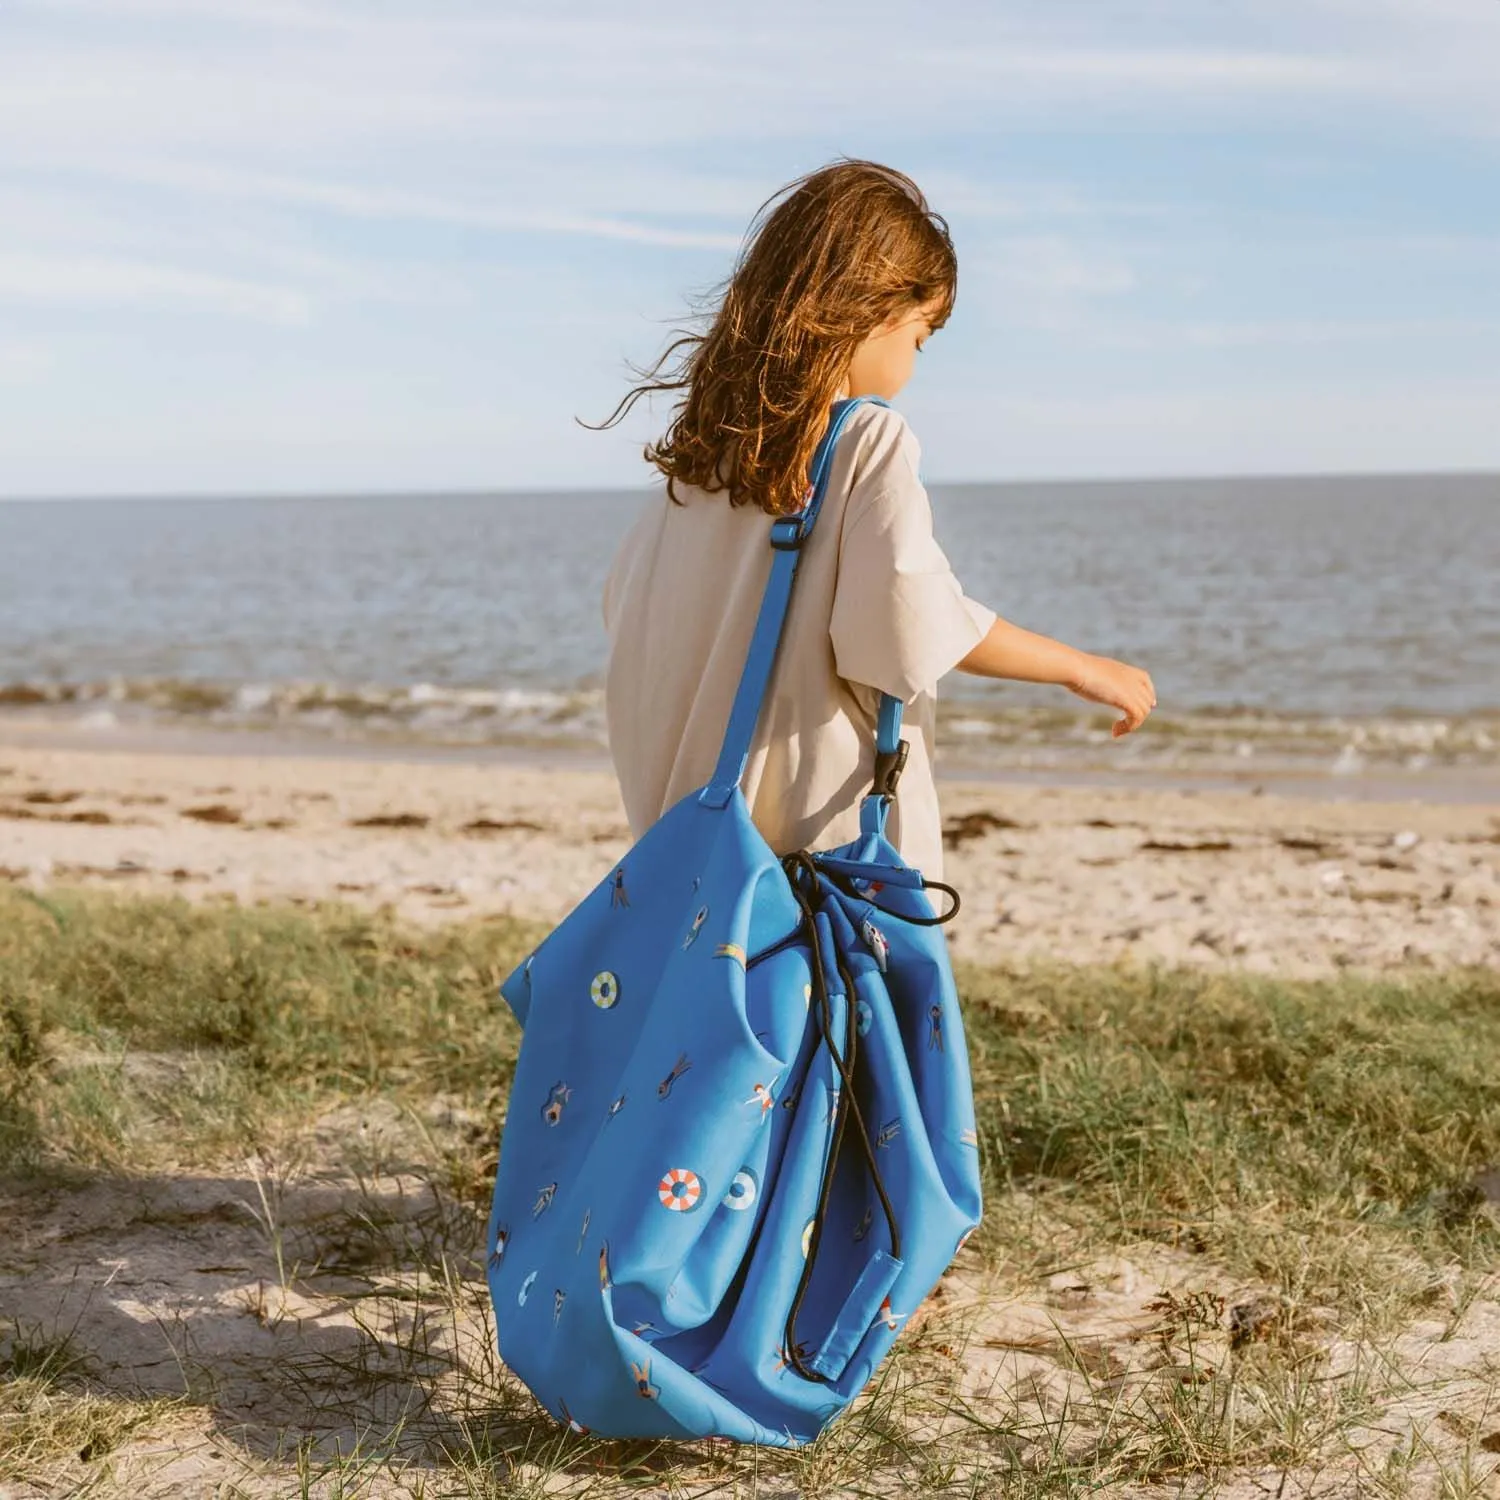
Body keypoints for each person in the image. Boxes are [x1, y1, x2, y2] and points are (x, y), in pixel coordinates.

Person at [595, 159, 1154, 886]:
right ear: (874, 309)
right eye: (920, 338)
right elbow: (910, 618)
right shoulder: (865, 440)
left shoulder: (691, 480)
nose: (914, 366)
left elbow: (636, 644)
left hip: (691, 877)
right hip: (816, 882)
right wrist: (1082, 668)